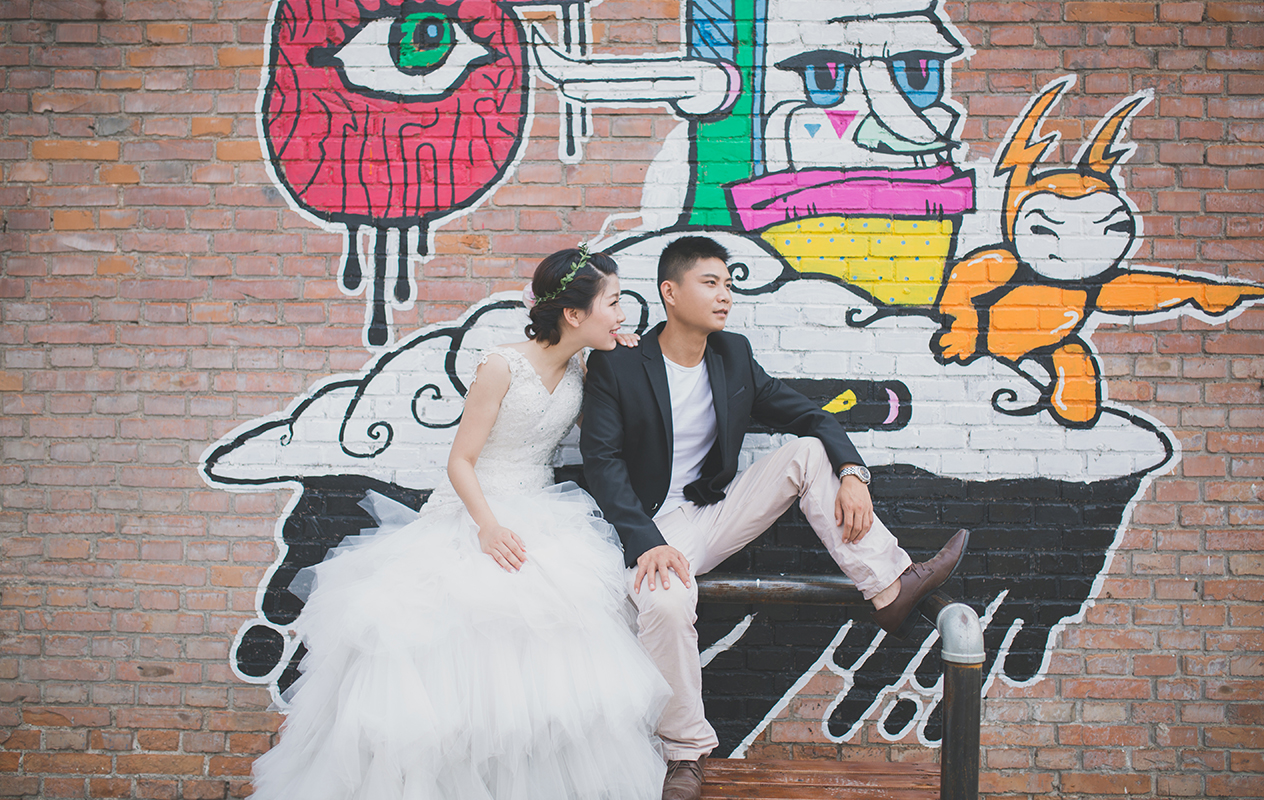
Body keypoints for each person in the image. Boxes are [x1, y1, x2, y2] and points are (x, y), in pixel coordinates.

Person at [250, 246, 671, 800]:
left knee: (546, 666)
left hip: (543, 511)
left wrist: (629, 354)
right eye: (613, 303)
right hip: (476, 512)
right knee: (457, 656)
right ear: (574, 314)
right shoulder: (501, 365)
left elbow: (615, 423)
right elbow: (460, 461)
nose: (622, 314)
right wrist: (487, 528)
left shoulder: (581, 368)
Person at [580, 235, 969, 800]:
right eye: (710, 283)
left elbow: (810, 417)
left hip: (711, 511)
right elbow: (603, 464)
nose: (725, 296)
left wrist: (853, 473)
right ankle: (685, 755)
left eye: (729, 285)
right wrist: (646, 541)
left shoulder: (731, 355)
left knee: (808, 453)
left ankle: (889, 586)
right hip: (651, 526)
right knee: (664, 604)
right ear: (670, 292)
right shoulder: (618, 365)